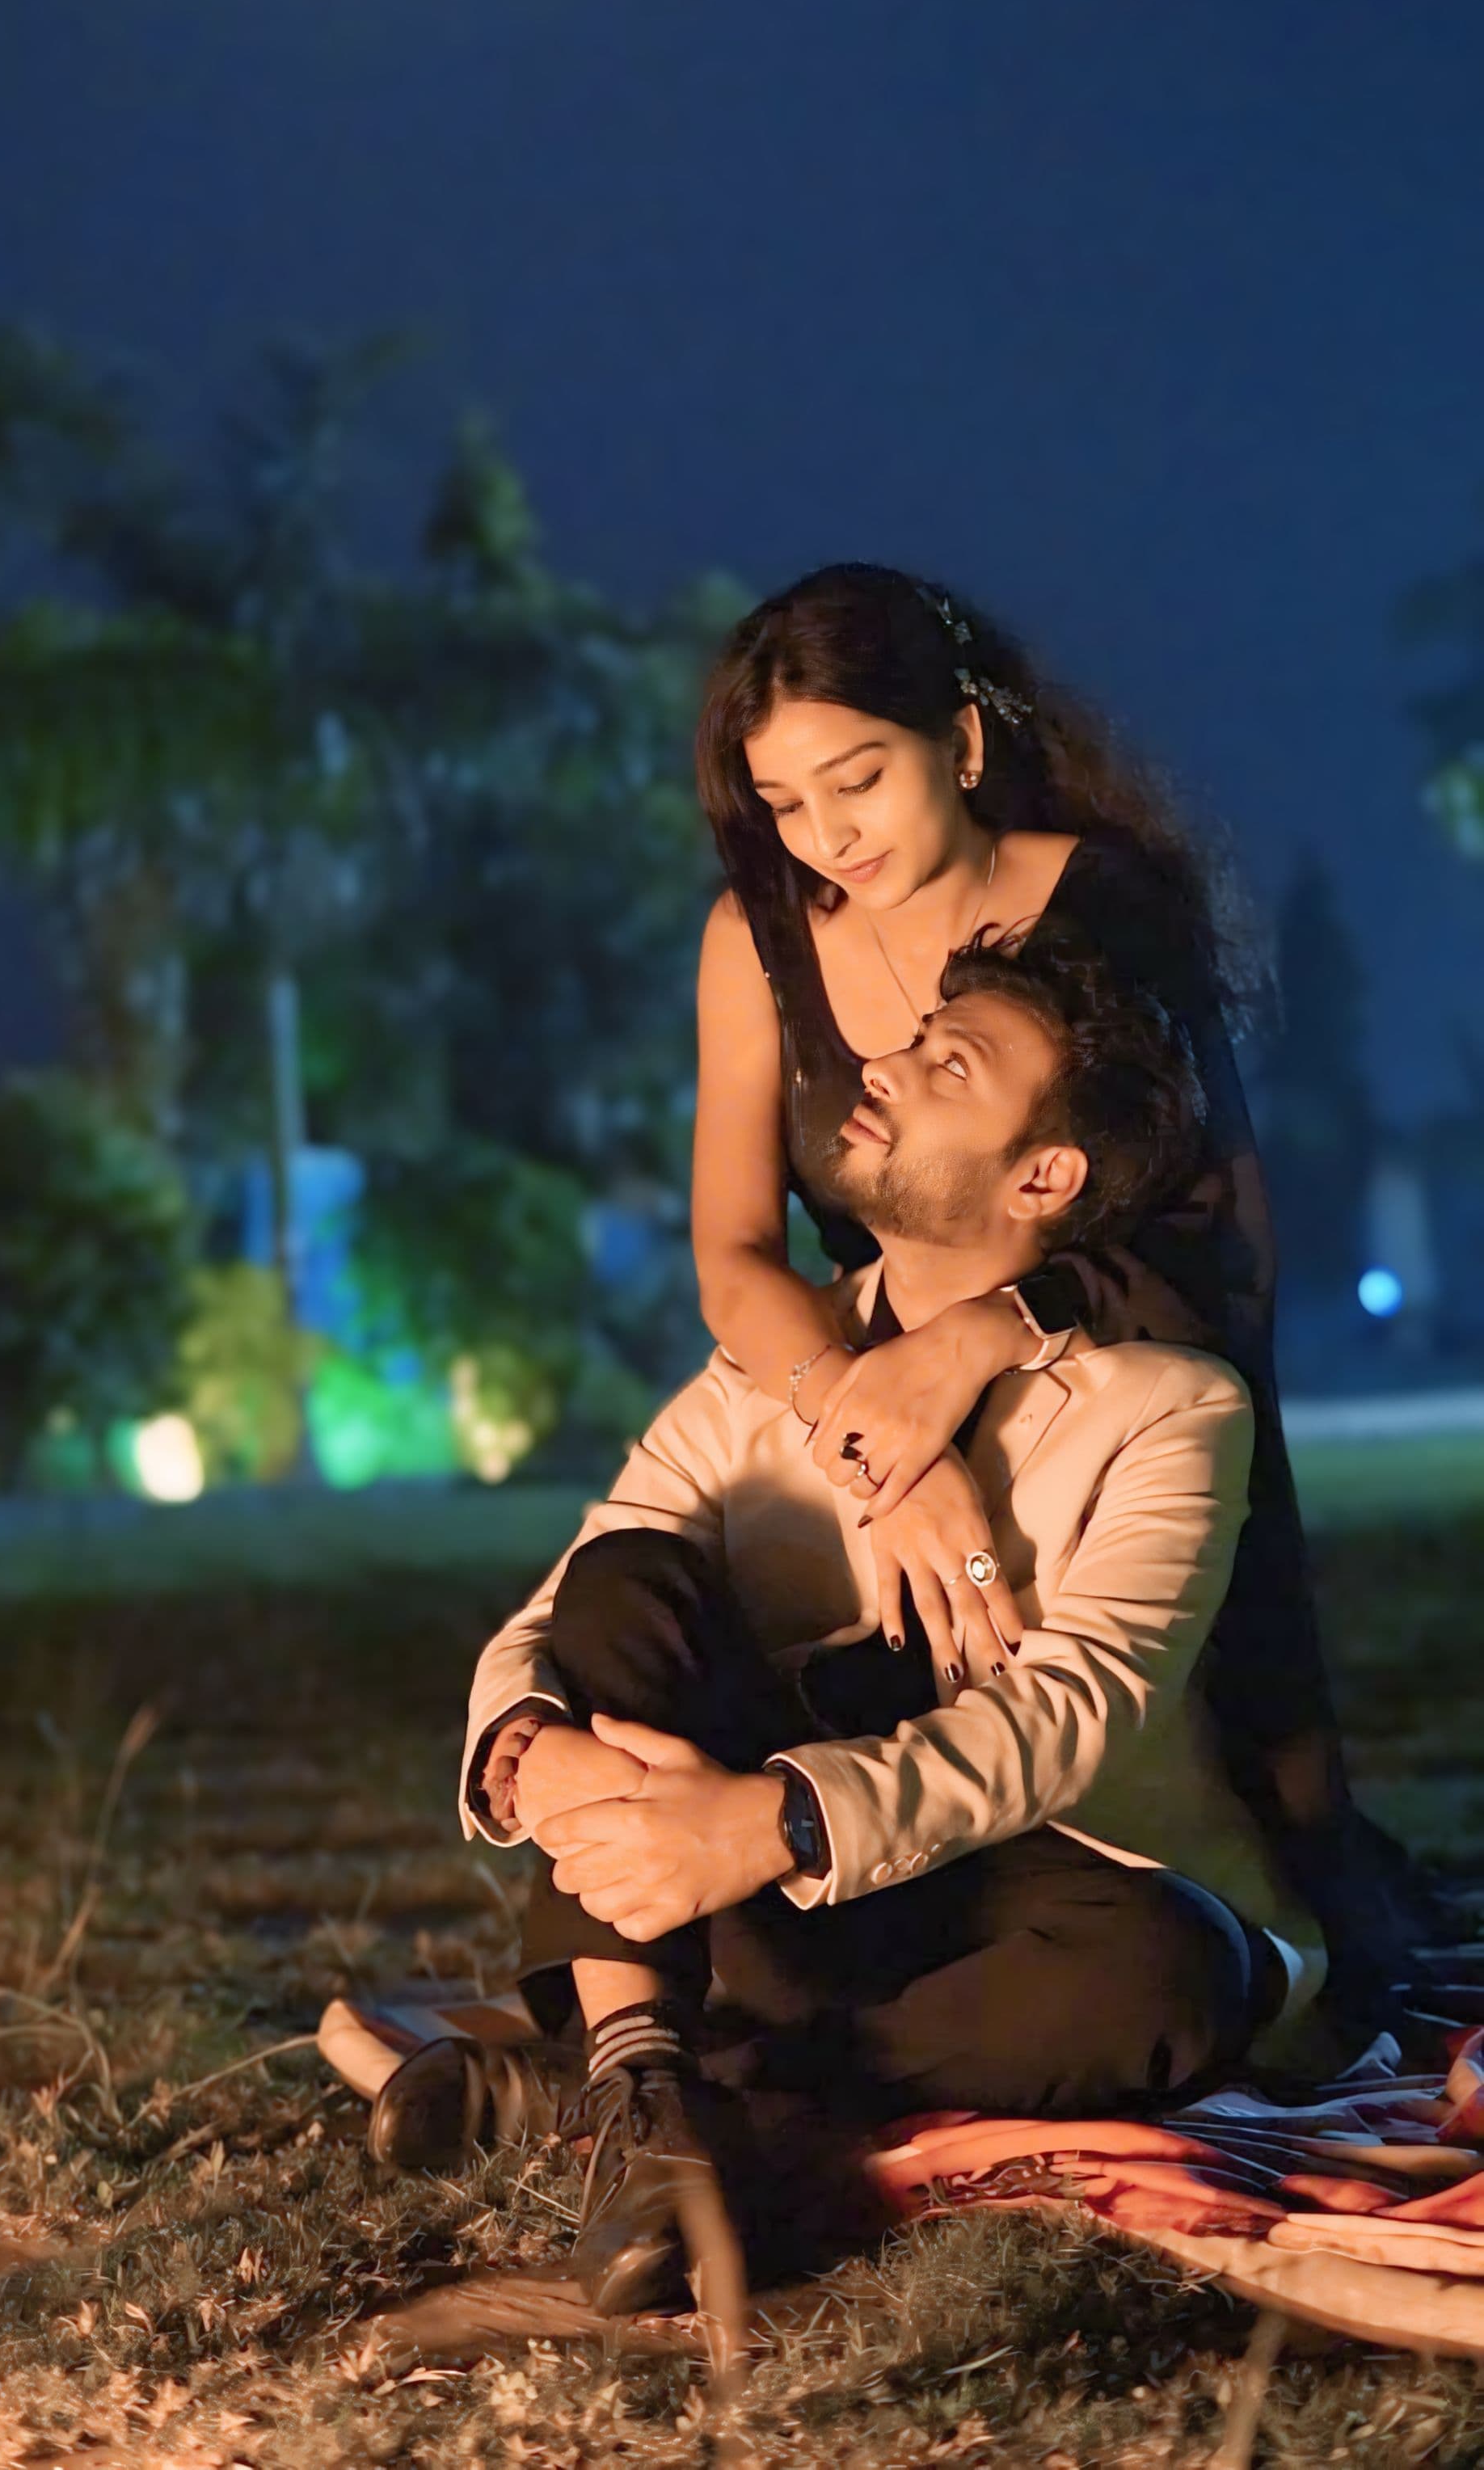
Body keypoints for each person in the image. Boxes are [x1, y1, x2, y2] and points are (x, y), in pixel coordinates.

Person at [377, 940, 1322, 2312]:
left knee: (1179, 1977)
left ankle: (638, 2092)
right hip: (760, 1899)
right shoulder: (773, 1366)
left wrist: (769, 1822)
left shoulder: (1167, 1408)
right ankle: (645, 2071)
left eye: (949, 1065)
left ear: (1040, 1177)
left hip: (1005, 1879)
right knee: (629, 1581)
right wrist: (531, 1750)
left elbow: (1075, 1713)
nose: (879, 1065)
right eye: (911, 1038)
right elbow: (579, 1591)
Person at [690, 560, 1423, 2012]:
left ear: (960, 742)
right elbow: (732, 1251)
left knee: (1251, 1850)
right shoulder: (755, 941)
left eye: (859, 780)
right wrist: (871, 1429)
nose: (827, 838)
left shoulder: (1104, 904)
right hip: (869, 1406)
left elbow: (1225, 1232)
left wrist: (981, 1339)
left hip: (1121, 1366)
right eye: (784, 803)